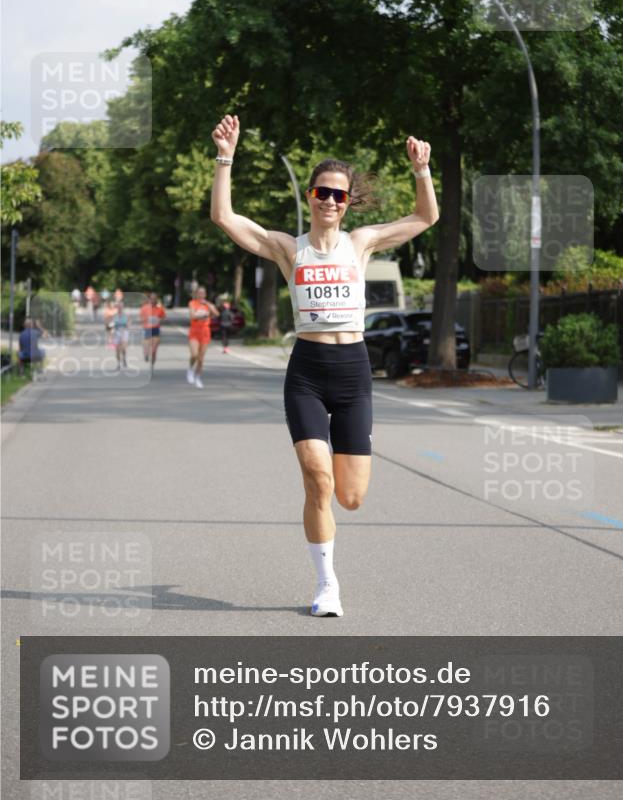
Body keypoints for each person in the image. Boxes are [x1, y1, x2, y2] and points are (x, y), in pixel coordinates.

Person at [210, 114, 439, 617]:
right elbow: (225, 217)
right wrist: (226, 156)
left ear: (348, 201)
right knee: (318, 479)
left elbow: (425, 219)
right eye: (322, 193)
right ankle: (326, 586)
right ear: (310, 196)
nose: (330, 201)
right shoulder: (289, 249)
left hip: (354, 373)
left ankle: (332, 539)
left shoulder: (362, 243)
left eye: (339, 195)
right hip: (308, 372)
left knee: (351, 497)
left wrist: (422, 171)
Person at [187, 287, 219, 388]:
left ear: (205, 295)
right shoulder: (192, 303)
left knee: (201, 359)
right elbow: (192, 316)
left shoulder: (208, 305)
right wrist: (204, 315)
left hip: (205, 332)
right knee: (194, 354)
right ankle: (190, 369)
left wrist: (209, 306)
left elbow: (216, 314)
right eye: (199, 293)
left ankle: (198, 378)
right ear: (196, 294)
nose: (201, 295)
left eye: (203, 293)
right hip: (194, 331)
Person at [138, 292, 166, 365]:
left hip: (156, 329)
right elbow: (140, 318)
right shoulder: (144, 308)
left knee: (154, 350)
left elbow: (163, 317)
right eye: (152, 298)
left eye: (155, 299)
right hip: (147, 329)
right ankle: (146, 354)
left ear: (157, 299)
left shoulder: (160, 308)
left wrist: (159, 320)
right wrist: (146, 319)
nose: (153, 300)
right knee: (147, 346)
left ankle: (152, 365)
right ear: (149, 299)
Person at [111, 300, 131, 369]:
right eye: (118, 306)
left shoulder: (126, 315)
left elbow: (128, 324)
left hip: (124, 332)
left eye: (121, 306)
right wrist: (112, 329)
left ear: (123, 307)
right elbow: (111, 325)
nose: (119, 308)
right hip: (117, 332)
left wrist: (125, 327)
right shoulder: (114, 316)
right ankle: (118, 364)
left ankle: (124, 359)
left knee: (123, 348)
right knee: (117, 349)